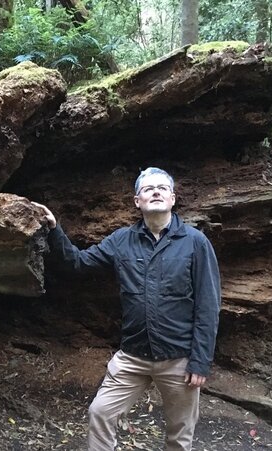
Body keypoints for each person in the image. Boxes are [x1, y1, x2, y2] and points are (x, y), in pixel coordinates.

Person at [33, 167, 221, 451]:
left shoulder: (195, 243)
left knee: (179, 434)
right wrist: (54, 228)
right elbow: (78, 263)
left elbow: (208, 304)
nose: (155, 192)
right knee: (100, 412)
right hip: (132, 357)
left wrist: (201, 360)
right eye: (148, 189)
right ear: (137, 201)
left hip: (178, 359)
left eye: (162, 188)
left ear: (173, 198)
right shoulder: (122, 240)